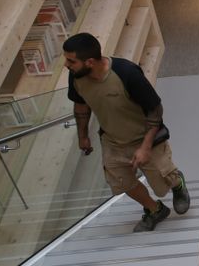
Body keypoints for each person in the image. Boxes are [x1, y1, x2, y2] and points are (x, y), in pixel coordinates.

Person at [63, 32, 189, 233]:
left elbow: (155, 109)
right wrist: (83, 136)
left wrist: (145, 147)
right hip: (113, 141)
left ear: (89, 62)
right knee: (121, 182)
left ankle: (178, 184)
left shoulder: (126, 73)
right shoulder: (76, 76)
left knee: (163, 180)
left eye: (71, 61)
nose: (66, 65)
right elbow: (81, 106)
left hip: (145, 137)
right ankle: (155, 209)